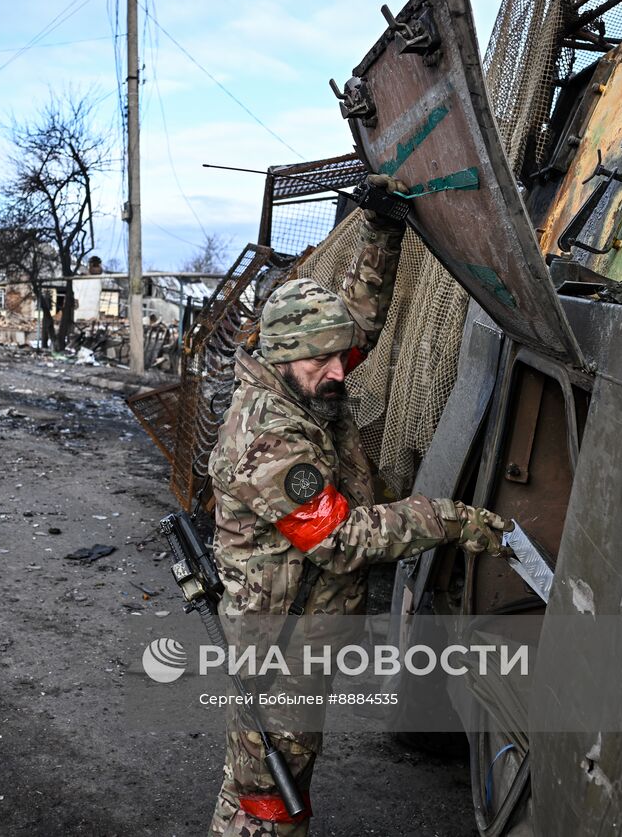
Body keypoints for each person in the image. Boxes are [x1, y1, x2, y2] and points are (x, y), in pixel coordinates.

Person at [207, 176, 511, 836]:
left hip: (298, 636)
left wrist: (380, 229)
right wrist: (447, 518)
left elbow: (356, 324)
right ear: (286, 357)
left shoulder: (301, 376)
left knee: (275, 779)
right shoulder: (267, 437)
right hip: (277, 650)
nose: (343, 374)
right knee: (268, 796)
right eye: (326, 363)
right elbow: (340, 539)